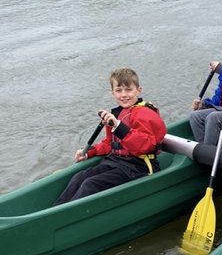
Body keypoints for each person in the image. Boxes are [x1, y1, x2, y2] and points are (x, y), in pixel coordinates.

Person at [55, 67, 167, 203]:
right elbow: (110, 144)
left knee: (91, 184)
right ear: (112, 93)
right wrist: (89, 153)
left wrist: (118, 127)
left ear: (138, 90)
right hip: (116, 161)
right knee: (79, 177)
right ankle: (57, 208)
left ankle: (67, 217)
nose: (124, 95)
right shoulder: (117, 114)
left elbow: (145, 145)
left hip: (139, 166)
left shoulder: (145, 113)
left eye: (129, 90)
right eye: (119, 90)